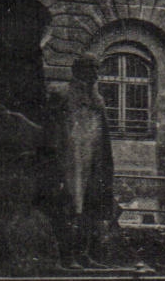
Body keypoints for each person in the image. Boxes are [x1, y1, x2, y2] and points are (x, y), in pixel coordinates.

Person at [45, 56, 119, 268]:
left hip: (92, 160)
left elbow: (103, 135)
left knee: (90, 207)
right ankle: (67, 255)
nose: (95, 75)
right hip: (70, 158)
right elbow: (53, 131)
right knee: (69, 206)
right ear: (78, 70)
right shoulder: (63, 96)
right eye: (91, 69)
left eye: (97, 70)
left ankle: (83, 252)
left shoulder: (97, 100)